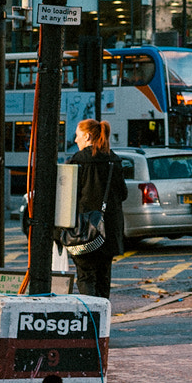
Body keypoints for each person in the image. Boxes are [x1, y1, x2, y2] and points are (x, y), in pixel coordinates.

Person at [65, 119, 127, 300]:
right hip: (107, 231)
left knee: (85, 276)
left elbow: (69, 197)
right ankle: (102, 321)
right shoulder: (113, 160)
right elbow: (122, 193)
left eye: (77, 136)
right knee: (103, 278)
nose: (76, 140)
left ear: (87, 136)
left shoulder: (78, 161)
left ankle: (91, 321)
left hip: (84, 230)